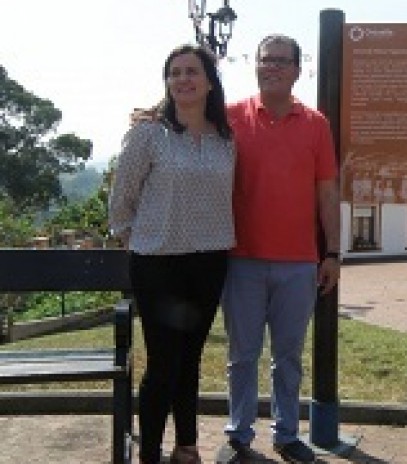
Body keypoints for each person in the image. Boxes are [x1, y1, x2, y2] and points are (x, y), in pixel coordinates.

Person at [109, 44, 235, 464]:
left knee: (191, 359)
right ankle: (148, 454)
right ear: (167, 82)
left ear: (209, 81)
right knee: (163, 363)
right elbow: (122, 196)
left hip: (210, 261)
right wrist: (135, 238)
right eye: (174, 72)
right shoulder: (149, 133)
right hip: (158, 263)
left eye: (191, 71)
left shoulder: (225, 138)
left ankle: (186, 446)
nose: (183, 78)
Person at [222, 34, 340, 464]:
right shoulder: (231, 116)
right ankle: (238, 434)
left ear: (296, 68)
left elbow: (327, 193)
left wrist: (333, 253)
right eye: (264, 60)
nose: (270, 67)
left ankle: (287, 433)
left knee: (288, 356)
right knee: (242, 356)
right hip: (241, 260)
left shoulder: (316, 124)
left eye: (279, 61)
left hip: (299, 263)